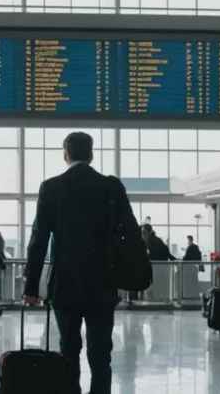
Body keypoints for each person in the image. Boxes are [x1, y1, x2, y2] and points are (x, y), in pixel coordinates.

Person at [24, 131, 141, 394]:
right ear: (91, 155)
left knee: (69, 348)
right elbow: (131, 231)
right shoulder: (112, 186)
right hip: (104, 281)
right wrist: (137, 272)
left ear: (65, 156)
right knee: (101, 353)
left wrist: (31, 286)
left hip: (65, 283)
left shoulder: (51, 187)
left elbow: (38, 238)